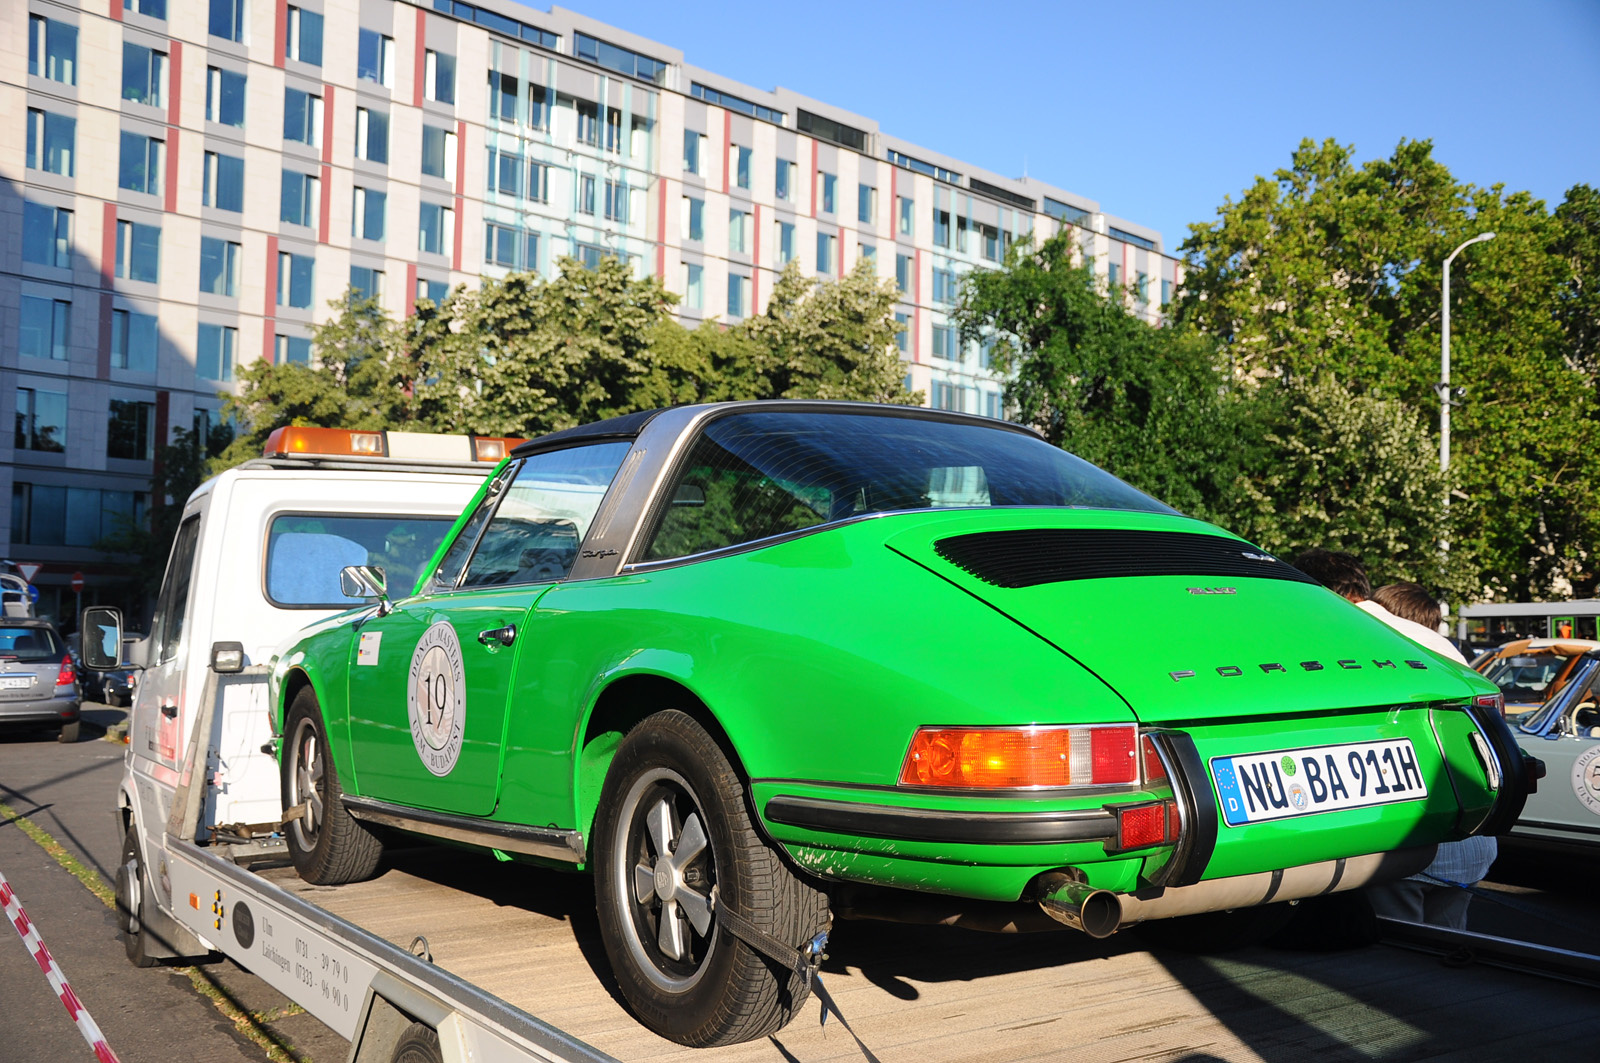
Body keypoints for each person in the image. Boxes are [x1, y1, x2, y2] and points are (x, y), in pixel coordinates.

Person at [1289, 550, 1496, 929]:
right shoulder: (1427, 640)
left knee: (1397, 955)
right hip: (1471, 838)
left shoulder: (1335, 636)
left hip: (1403, 844)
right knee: (1450, 952)